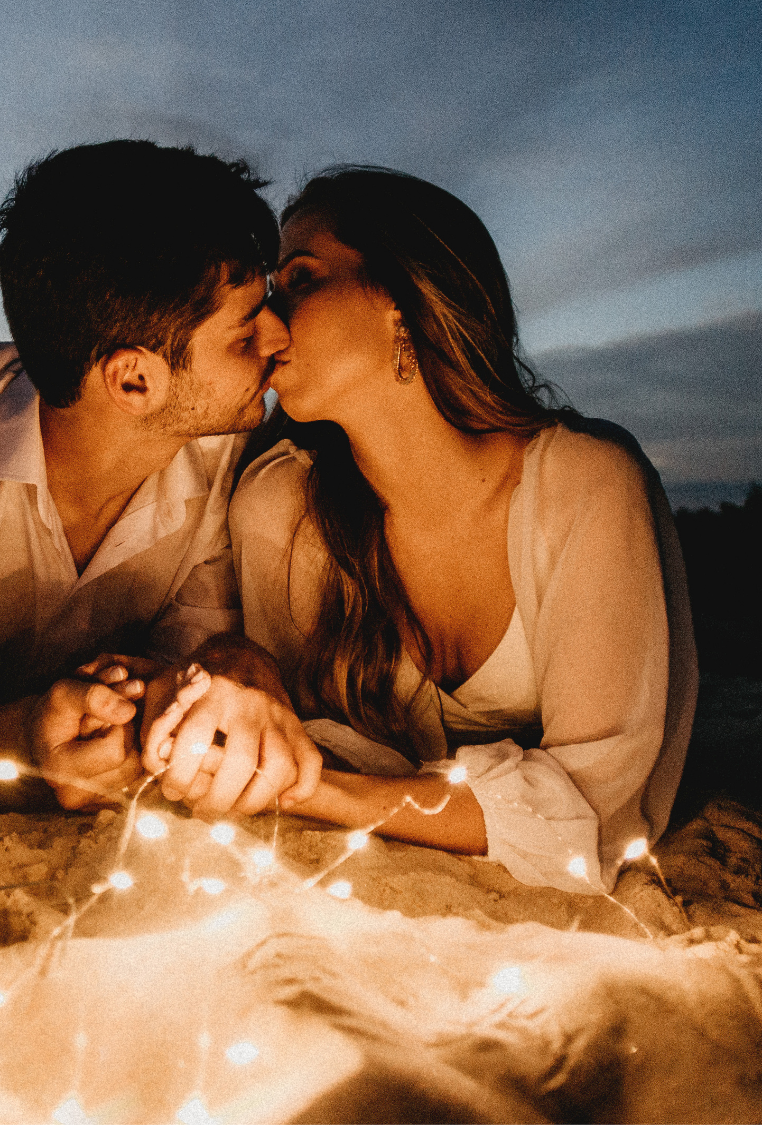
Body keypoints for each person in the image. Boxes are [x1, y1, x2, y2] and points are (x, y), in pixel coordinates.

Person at [147, 166, 698, 894]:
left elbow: (595, 809)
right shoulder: (279, 504)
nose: (267, 323)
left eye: (301, 280)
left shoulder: (582, 485)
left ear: (403, 297)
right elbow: (296, 730)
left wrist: (310, 789)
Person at [0, 140, 320, 812]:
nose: (281, 338)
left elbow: (191, 657)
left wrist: (222, 677)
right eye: (243, 331)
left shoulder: (231, 452)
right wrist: (19, 739)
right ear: (134, 379)